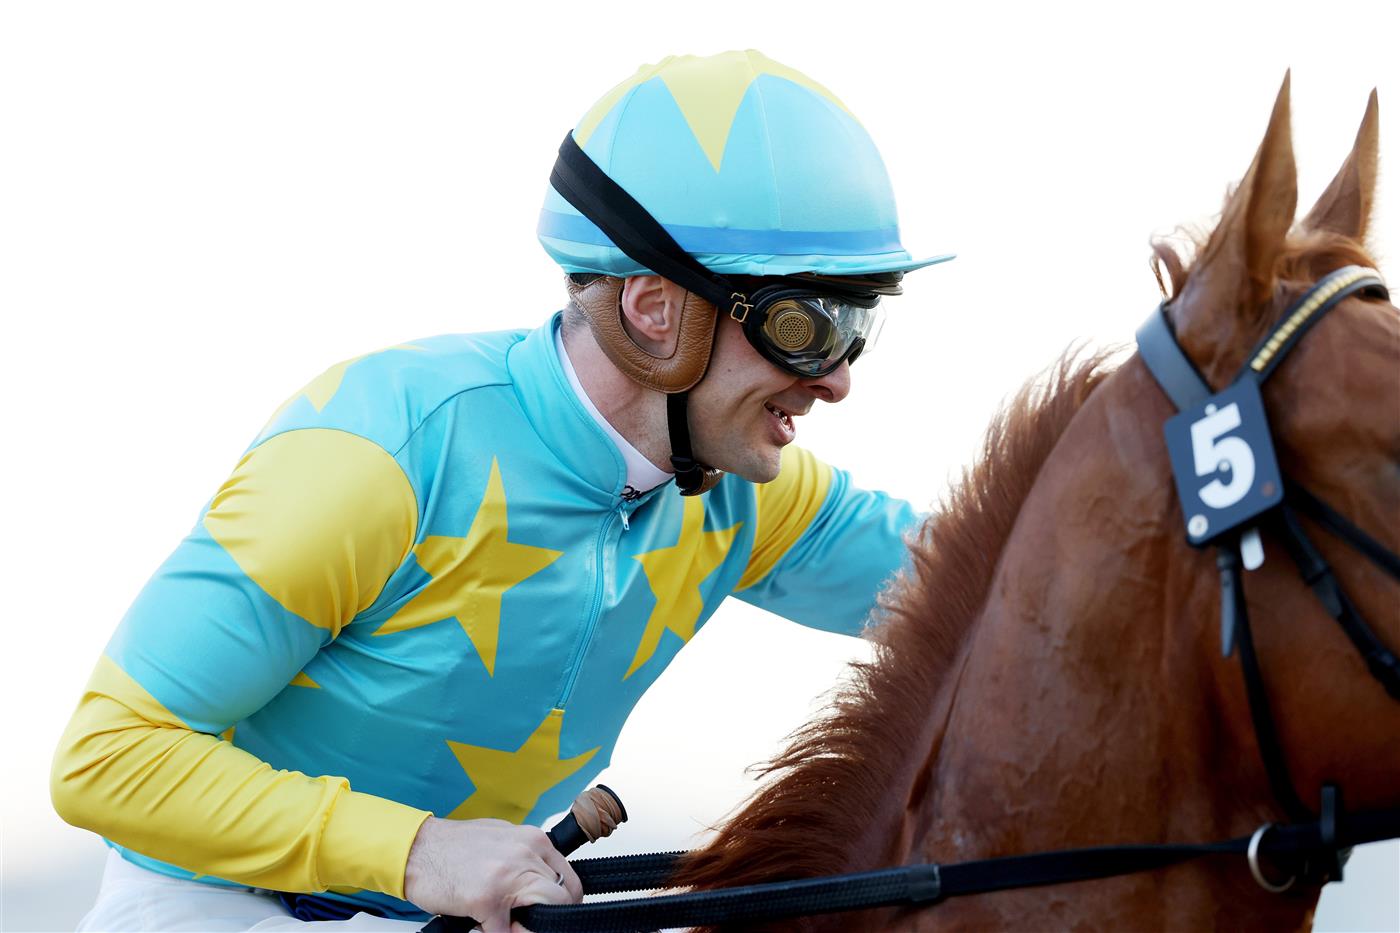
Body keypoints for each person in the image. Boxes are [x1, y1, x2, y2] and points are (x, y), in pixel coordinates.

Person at [51, 49, 951, 931]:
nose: (835, 380)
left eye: (858, 323)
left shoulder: (748, 493)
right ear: (654, 308)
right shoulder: (378, 451)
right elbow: (106, 756)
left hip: (472, 907)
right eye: (810, 322)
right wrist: (419, 853)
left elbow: (1001, 587)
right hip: (216, 902)